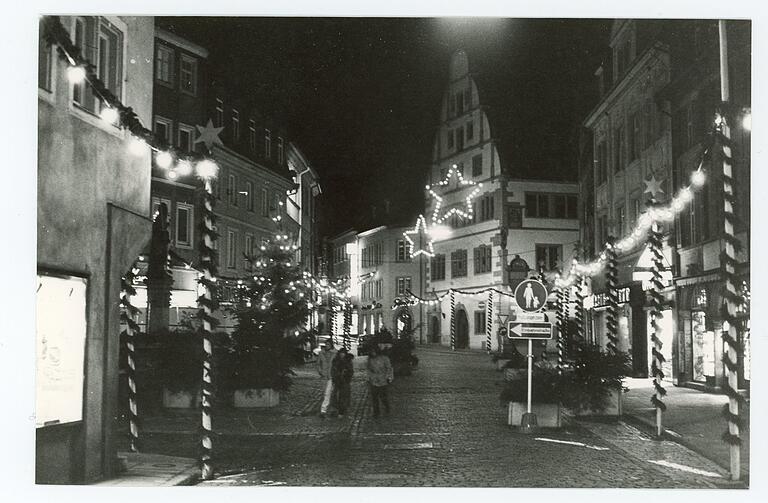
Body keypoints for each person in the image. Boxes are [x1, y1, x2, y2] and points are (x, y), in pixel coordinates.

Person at [366, 345, 393, 417]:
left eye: (374, 352)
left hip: (383, 380)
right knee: (374, 397)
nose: (373, 353)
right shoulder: (370, 359)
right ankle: (376, 412)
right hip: (374, 380)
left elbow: (389, 368)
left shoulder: (384, 358)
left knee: (383, 396)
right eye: (371, 352)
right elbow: (369, 369)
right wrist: (370, 377)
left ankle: (386, 407)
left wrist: (388, 377)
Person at [316, 339, 337, 418]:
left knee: (329, 392)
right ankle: (327, 408)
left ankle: (324, 409)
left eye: (328, 344)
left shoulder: (335, 353)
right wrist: (320, 371)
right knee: (325, 392)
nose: (327, 346)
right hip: (324, 375)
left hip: (332, 375)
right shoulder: (321, 353)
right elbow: (318, 364)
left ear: (331, 345)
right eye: (326, 344)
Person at [331, 347, 354, 417]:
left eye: (343, 353)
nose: (342, 355)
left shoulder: (348, 361)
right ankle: (338, 409)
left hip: (345, 381)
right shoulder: (336, 361)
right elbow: (333, 370)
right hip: (337, 380)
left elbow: (351, 371)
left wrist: (346, 375)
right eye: (341, 353)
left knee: (344, 396)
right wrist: (335, 377)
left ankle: (342, 410)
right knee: (336, 396)